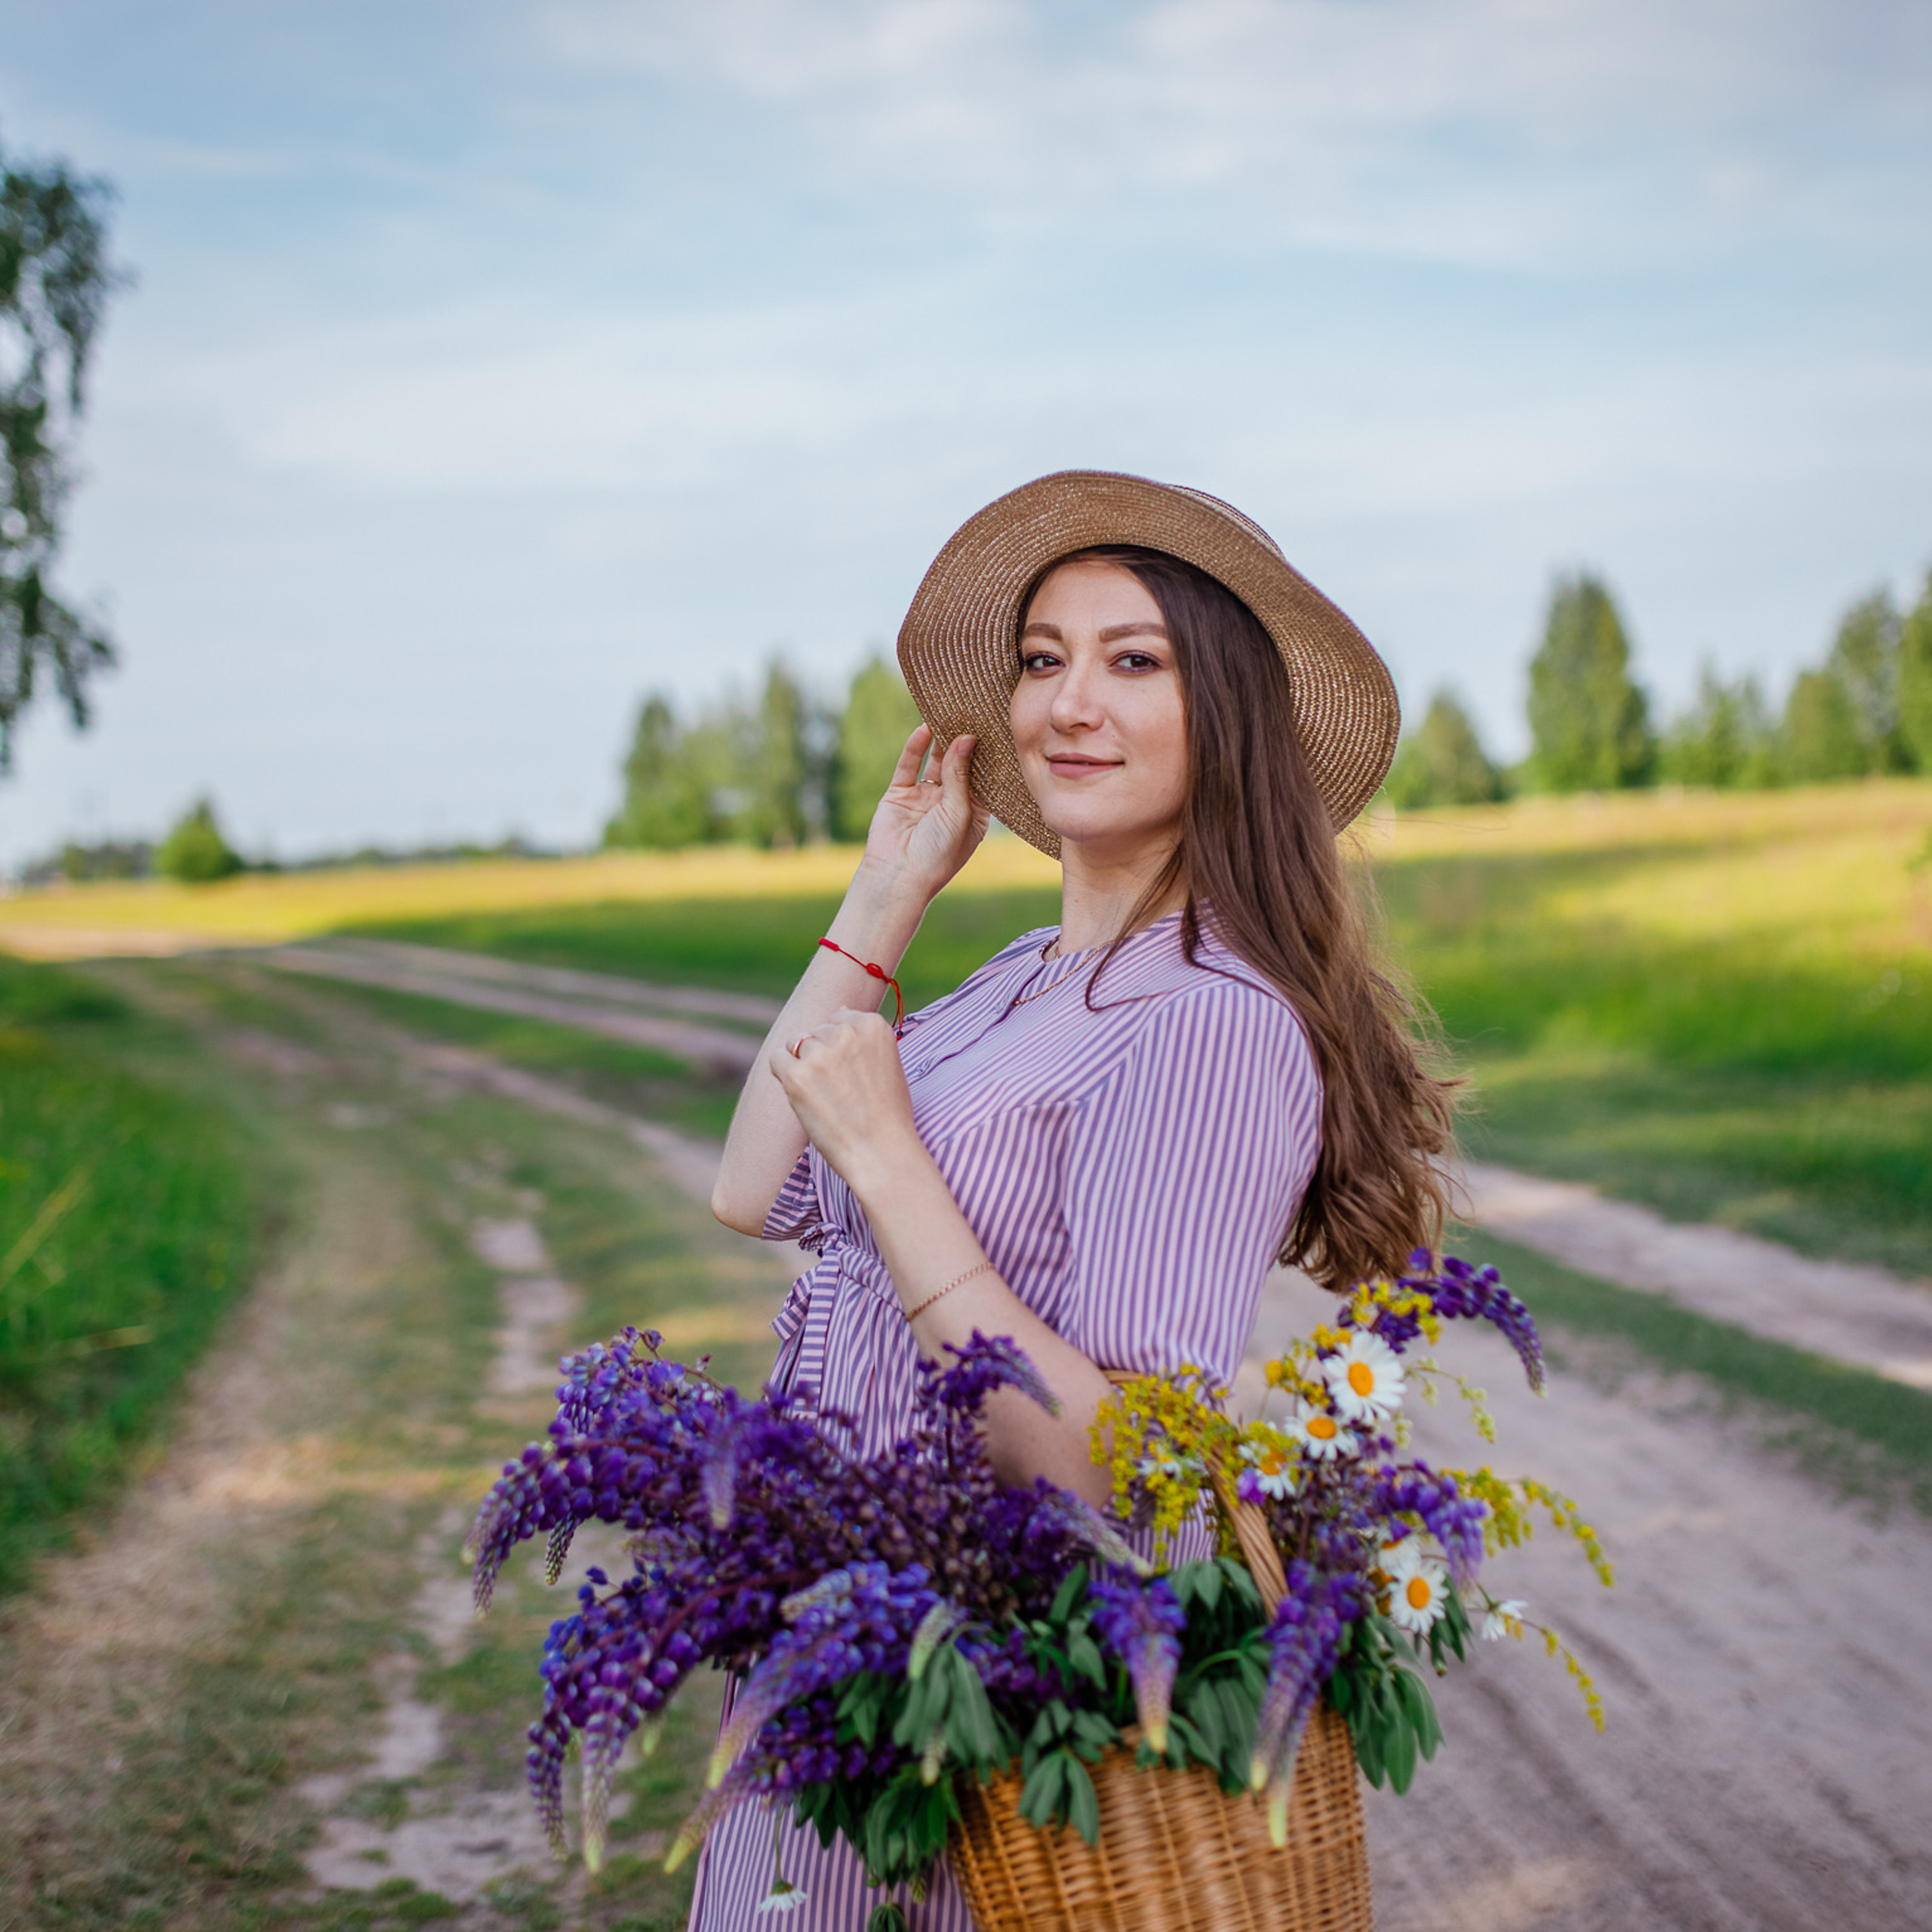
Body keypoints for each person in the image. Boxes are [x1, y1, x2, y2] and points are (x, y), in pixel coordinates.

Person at [691, 470, 1456, 1929]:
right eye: (1045, 660)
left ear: (1224, 713)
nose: (1066, 704)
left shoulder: (1214, 1020)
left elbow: (1117, 1467)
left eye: (1134, 660)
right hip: (846, 1639)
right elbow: (751, 1183)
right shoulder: (1013, 981)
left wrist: (894, 1160)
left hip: (982, 1700)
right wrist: (886, 894)